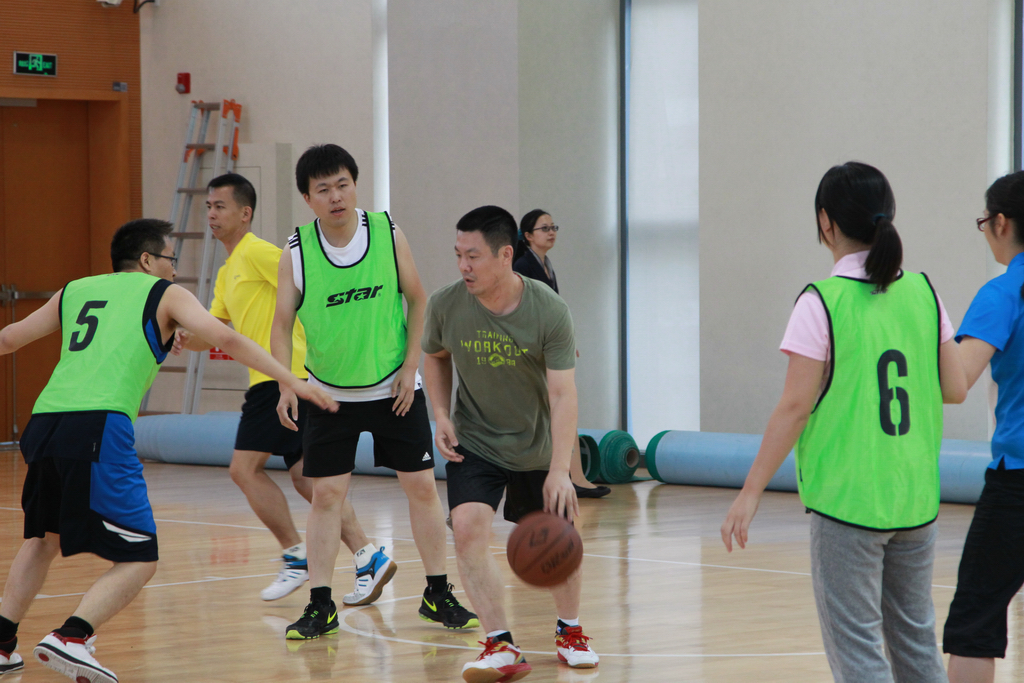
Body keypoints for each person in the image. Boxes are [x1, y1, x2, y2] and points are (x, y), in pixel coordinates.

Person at [0, 219, 336, 683]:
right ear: (147, 260)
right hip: (100, 425)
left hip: (45, 423)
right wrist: (291, 379)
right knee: (140, 558)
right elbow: (228, 339)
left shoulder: (74, 290)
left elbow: (8, 338)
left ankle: (2, 644)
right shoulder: (164, 294)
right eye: (170, 259)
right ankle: (72, 636)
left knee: (43, 540)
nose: (175, 270)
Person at [720, 162, 966, 682]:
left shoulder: (821, 302)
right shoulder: (925, 292)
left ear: (825, 222)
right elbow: (955, 388)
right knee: (917, 644)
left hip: (848, 502)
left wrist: (750, 491)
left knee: (859, 654)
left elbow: (794, 408)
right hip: (915, 497)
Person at [271, 144, 477, 640]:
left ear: (355, 185)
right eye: (323, 189)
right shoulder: (297, 250)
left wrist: (411, 367)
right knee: (327, 496)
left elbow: (419, 300)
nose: (336, 196)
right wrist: (285, 382)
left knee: (422, 488)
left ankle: (437, 592)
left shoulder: (387, 233)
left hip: (394, 390)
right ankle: (321, 604)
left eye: (343, 184)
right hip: (329, 395)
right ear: (307, 198)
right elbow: (281, 324)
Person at [176, 173, 393, 604]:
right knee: (307, 479)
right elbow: (216, 330)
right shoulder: (227, 271)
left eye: (220, 206)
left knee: (244, 469)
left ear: (245, 213)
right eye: (208, 207)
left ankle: (297, 556)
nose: (212, 214)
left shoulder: (258, 252)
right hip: (276, 381)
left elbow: (308, 285)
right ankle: (368, 556)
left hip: (283, 378)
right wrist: (185, 336)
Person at [423, 205, 600, 683]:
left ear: (505, 255)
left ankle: (570, 630)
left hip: (537, 446)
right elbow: (435, 355)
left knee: (559, 537)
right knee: (467, 528)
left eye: (473, 256)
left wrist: (560, 471)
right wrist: (441, 413)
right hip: (476, 440)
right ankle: (500, 644)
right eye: (458, 255)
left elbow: (563, 394)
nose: (463, 266)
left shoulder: (549, 310)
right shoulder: (445, 304)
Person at [943, 171, 1024, 683]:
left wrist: (930, 333)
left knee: (975, 622)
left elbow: (956, 384)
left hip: (1018, 479)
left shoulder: (1002, 293)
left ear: (999, 222)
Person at [514, 209, 609, 500]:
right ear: (528, 236)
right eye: (544, 228)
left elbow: (553, 311)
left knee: (564, 410)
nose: (551, 232)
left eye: (554, 227)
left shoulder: (545, 264)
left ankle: (575, 477)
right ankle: (565, 478)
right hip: (532, 350)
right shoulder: (522, 266)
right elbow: (526, 313)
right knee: (552, 413)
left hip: (547, 346)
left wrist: (563, 340)